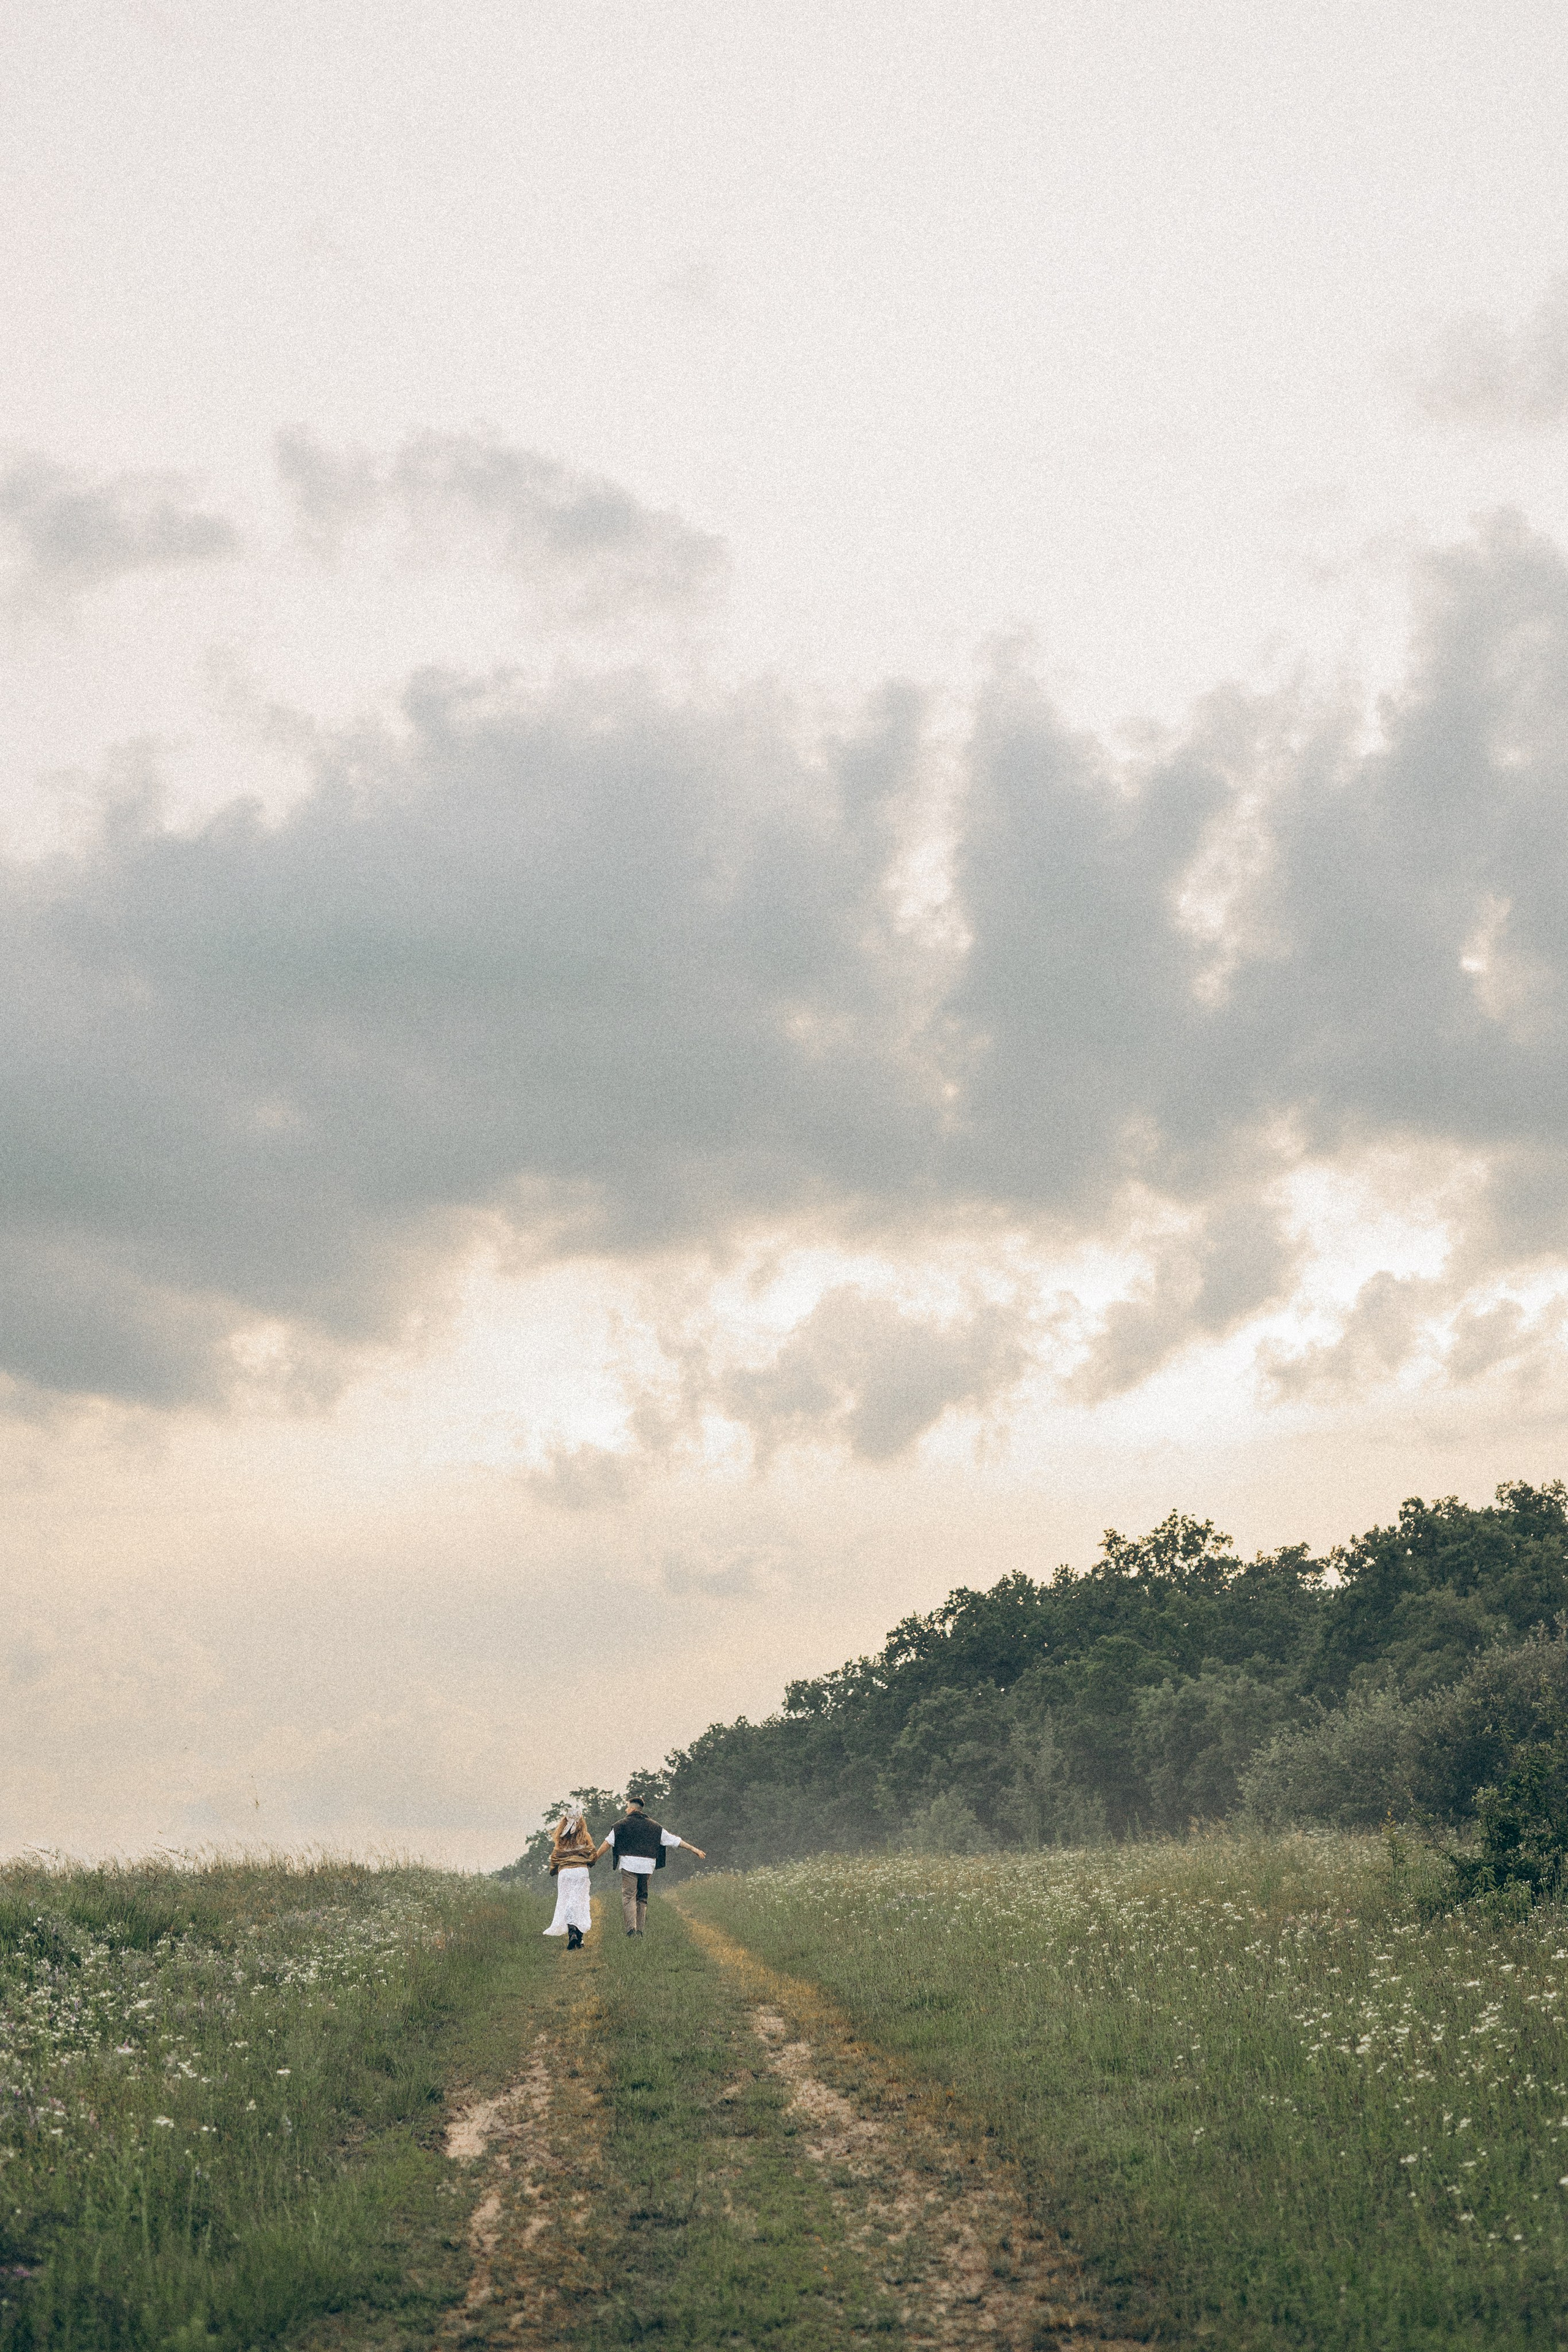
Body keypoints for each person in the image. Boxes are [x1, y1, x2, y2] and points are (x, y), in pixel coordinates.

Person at [595, 1797, 706, 1935]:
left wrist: (594, 1859)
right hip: (647, 1866)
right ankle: (640, 1931)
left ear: (633, 1809)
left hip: (629, 1866)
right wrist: (694, 1849)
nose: (626, 1810)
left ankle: (631, 1930)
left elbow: (607, 1843)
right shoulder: (655, 1826)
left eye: (628, 1807)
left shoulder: (621, 1825)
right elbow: (674, 1840)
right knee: (642, 1898)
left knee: (629, 1896)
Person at [542, 1808, 598, 1950]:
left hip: (565, 1873)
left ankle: (572, 1933)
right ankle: (579, 1937)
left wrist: (553, 1870)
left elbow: (555, 1857)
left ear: (565, 1820)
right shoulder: (585, 1836)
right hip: (580, 1872)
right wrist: (590, 1862)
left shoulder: (561, 1838)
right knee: (579, 1903)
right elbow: (592, 1853)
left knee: (567, 1902)